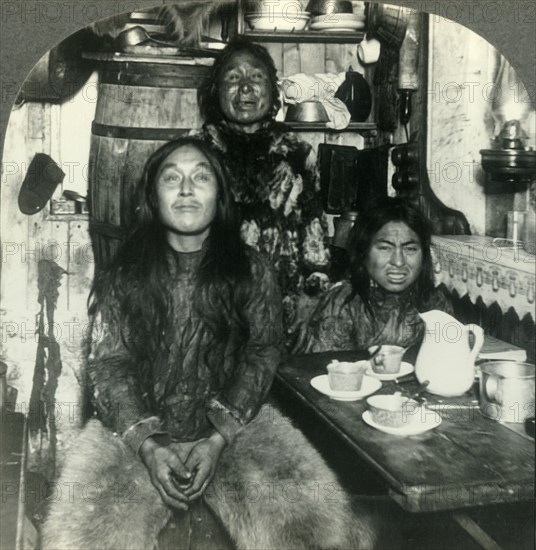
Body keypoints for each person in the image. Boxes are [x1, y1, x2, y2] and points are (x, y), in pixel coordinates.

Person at [40, 137, 374, 550]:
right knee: (72, 541)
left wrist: (218, 439)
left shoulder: (251, 269)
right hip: (131, 433)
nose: (186, 189)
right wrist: (149, 447)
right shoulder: (125, 273)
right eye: (171, 178)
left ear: (220, 196)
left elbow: (262, 351)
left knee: (321, 533)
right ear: (152, 197)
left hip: (237, 427)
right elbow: (110, 367)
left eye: (201, 177)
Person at [197, 37, 331, 337]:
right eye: (232, 77)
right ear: (215, 91)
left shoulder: (297, 154)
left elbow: (315, 233)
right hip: (211, 309)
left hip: (280, 309)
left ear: (273, 91)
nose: (245, 87)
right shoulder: (195, 154)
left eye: (256, 76)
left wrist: (311, 298)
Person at [292, 196, 454, 353]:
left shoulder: (434, 303)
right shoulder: (342, 305)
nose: (398, 262)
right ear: (364, 252)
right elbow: (325, 373)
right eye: (385, 248)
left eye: (410, 249)